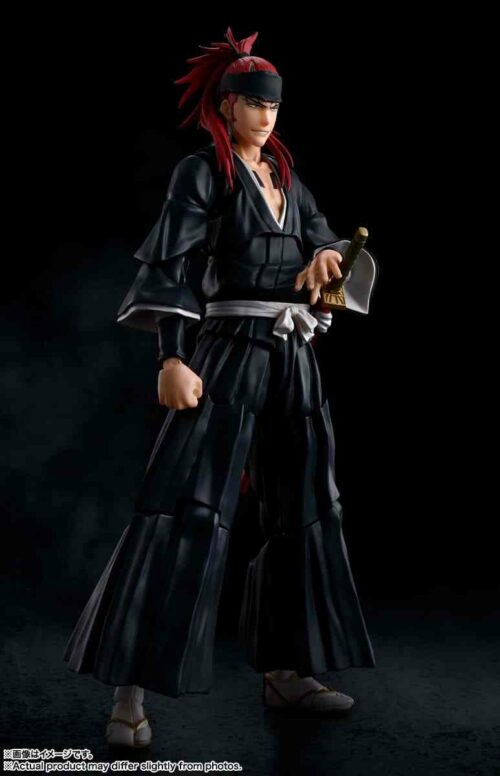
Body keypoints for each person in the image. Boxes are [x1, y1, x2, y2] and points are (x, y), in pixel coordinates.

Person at [64, 27, 378, 749]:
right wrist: (172, 357)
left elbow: (327, 241)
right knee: (187, 506)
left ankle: (287, 669)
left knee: (306, 507)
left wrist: (329, 258)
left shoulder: (285, 179)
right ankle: (131, 691)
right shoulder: (203, 173)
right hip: (227, 348)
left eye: (274, 105)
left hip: (292, 356)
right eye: (252, 103)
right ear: (226, 105)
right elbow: (171, 267)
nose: (265, 116)